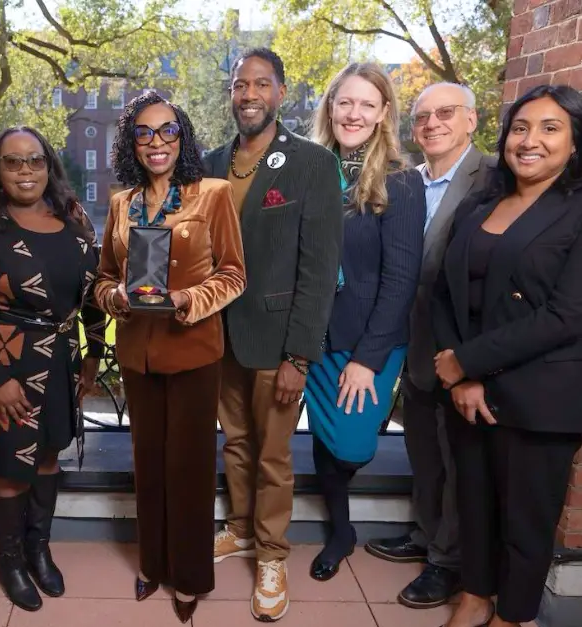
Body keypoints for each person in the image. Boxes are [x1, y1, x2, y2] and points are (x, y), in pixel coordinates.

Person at [432, 84, 582, 627]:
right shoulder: (479, 205)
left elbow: (567, 315)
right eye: (520, 127)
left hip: (542, 395)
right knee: (473, 502)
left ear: (574, 142)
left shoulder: (577, 210)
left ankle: (512, 616)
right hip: (471, 391)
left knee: (525, 519)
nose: (530, 140)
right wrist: (459, 376)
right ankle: (474, 595)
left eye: (550, 128)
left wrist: (467, 362)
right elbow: (443, 290)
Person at [202, 48, 342, 621]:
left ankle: (272, 555)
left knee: (273, 455)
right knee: (235, 443)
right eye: (240, 85)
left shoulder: (310, 163)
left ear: (281, 93)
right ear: (231, 93)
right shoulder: (210, 161)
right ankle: (238, 528)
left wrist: (300, 356)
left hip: (278, 340)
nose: (250, 94)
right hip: (218, 337)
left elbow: (318, 267)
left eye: (262, 84)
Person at [95, 92, 246, 623]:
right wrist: (113, 297)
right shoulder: (121, 203)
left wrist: (188, 300)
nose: (155, 142)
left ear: (181, 138)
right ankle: (152, 563)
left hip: (193, 351)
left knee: (189, 469)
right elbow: (104, 279)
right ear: (130, 142)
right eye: (144, 132)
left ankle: (189, 576)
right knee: (148, 464)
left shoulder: (212, 195)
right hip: (137, 352)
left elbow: (233, 274)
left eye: (167, 132)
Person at [0, 126, 105, 612]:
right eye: (13, 162)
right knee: (13, 469)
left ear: (49, 166)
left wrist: (93, 355)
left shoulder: (73, 219)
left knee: (49, 457)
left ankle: (39, 548)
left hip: (61, 360)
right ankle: (11, 562)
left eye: (35, 160)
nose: (25, 171)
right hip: (8, 365)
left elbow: (93, 291)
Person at [365, 82, 496, 609]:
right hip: (413, 342)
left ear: (472, 120)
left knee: (457, 455)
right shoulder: (407, 181)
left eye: (446, 114)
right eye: (421, 117)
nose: (432, 124)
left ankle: (447, 562)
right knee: (424, 450)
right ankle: (425, 535)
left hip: (463, 349)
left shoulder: (492, 179)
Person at [304, 61, 425, 582]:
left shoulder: (400, 181)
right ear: (330, 107)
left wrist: (367, 361)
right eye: (345, 102)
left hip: (367, 340)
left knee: (351, 443)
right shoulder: (307, 170)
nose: (354, 113)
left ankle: (341, 523)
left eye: (366, 105)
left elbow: (401, 280)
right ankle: (341, 530)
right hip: (312, 334)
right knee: (323, 439)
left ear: (382, 115)